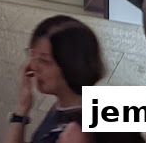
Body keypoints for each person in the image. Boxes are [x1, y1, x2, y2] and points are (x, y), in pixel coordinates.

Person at [8, 14, 105, 143]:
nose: (33, 66)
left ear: (71, 67)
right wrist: (23, 104)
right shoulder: (70, 104)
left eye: (44, 60)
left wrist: (20, 112)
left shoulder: (69, 135)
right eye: (32, 55)